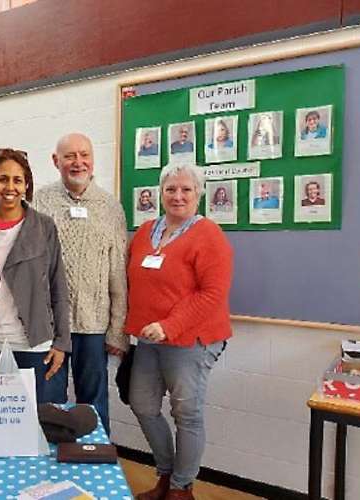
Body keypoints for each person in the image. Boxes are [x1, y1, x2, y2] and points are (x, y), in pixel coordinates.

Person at [125, 163, 232, 500]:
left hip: (191, 341)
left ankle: (180, 488)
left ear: (199, 194)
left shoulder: (209, 235)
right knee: (142, 405)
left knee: (186, 414)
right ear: (160, 192)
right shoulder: (145, 232)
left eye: (186, 189)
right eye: (171, 189)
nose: (178, 196)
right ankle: (167, 473)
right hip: (147, 339)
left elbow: (212, 294)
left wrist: (169, 325)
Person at [34, 133, 128, 434]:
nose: (78, 162)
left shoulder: (110, 207)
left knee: (94, 404)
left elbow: (118, 274)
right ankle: (50, 470)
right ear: (56, 161)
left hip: (94, 326)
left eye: (84, 155)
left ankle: (96, 463)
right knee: (48, 402)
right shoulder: (39, 201)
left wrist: (117, 330)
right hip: (50, 327)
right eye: (70, 156)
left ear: (92, 159)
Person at [0, 149, 71, 403]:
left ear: (26, 185)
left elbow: (58, 286)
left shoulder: (44, 227)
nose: (9, 186)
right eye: (3, 179)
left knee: (31, 418)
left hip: (31, 341)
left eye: (17, 180)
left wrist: (62, 342)